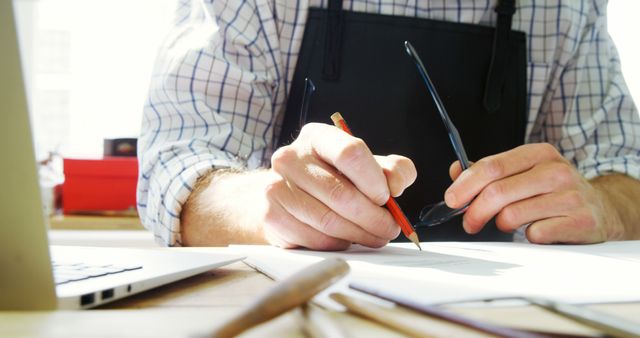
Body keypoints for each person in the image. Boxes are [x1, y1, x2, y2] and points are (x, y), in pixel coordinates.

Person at [138, 0, 640, 249]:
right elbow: (175, 165)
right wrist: (265, 203)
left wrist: (609, 205)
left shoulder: (567, 6)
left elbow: (626, 171)